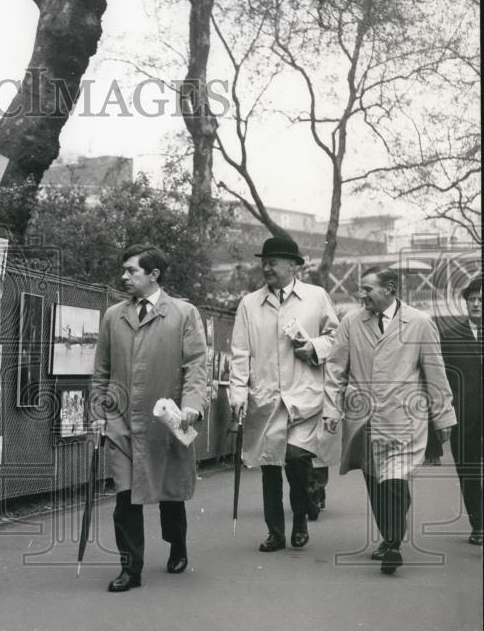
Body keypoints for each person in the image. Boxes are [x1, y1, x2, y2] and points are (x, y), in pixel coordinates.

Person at [91, 244, 209, 592]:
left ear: (153, 275)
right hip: (122, 421)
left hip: (166, 421)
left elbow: (196, 367)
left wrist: (191, 405)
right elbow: (101, 372)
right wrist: (98, 413)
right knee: (125, 498)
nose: (124, 276)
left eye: (132, 271)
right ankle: (131, 570)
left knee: (170, 493)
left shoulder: (184, 313)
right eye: (124, 270)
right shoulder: (114, 316)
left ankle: (178, 543)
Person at [324, 268, 455, 574]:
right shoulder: (351, 322)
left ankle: (393, 544)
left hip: (405, 418)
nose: (361, 295)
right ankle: (390, 535)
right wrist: (331, 410)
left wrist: (443, 416)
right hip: (364, 419)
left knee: (394, 480)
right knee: (375, 482)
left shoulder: (420, 323)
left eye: (367, 289)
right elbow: (335, 370)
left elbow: (435, 372)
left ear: (390, 289)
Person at [229, 237, 339, 553]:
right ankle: (276, 532)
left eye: (273, 262)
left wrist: (315, 347)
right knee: (270, 468)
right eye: (264, 261)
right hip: (266, 398)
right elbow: (240, 353)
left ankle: (301, 518)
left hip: (304, 397)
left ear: (293, 265)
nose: (266, 267)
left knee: (296, 458)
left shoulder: (316, 298)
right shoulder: (249, 304)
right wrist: (237, 396)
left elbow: (337, 337)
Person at [439, 276, 482, 545]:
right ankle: (478, 524)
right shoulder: (450, 336)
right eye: (472, 299)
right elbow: (441, 379)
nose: (476, 303)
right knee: (468, 471)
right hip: (464, 418)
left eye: (481, 299)